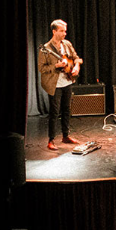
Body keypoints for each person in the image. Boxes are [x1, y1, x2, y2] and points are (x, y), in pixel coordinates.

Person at [39, 19, 83, 150]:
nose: (65, 33)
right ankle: (51, 140)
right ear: (54, 31)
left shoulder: (67, 44)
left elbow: (77, 58)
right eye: (62, 31)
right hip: (55, 84)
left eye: (65, 30)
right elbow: (41, 68)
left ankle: (65, 136)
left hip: (67, 81)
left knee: (67, 110)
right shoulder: (46, 49)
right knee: (54, 112)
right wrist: (56, 66)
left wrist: (76, 67)